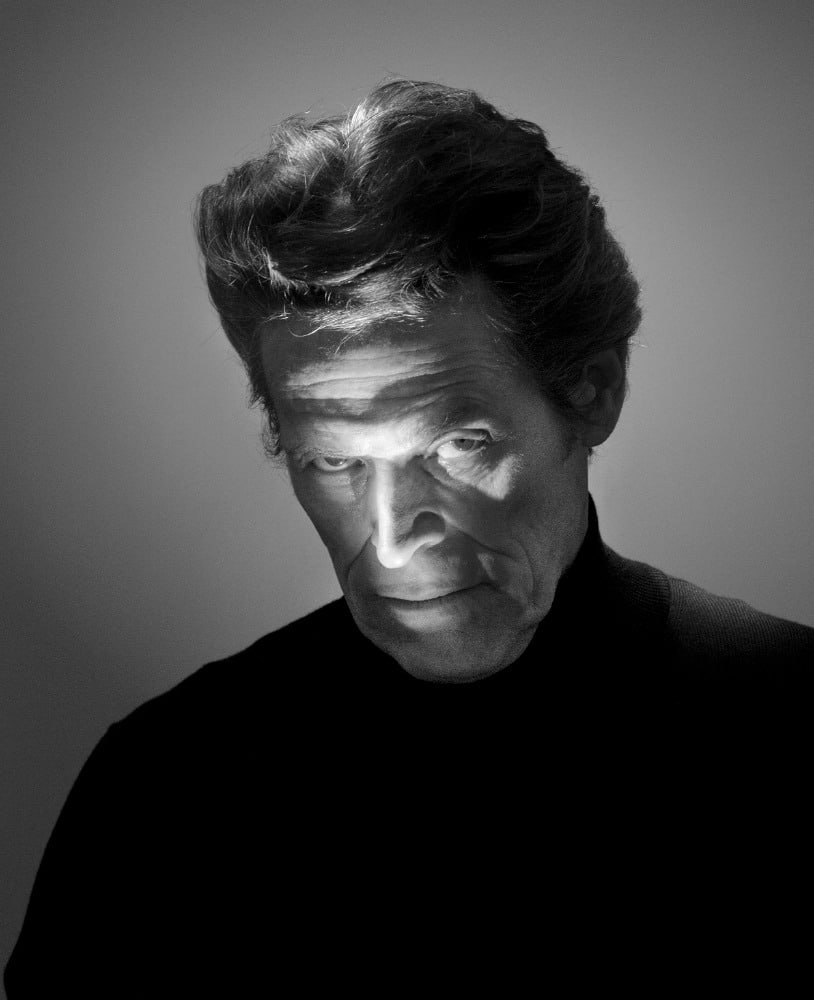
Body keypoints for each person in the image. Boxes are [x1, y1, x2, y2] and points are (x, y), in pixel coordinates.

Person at [6, 79, 812, 995]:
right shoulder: (162, 793)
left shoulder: (793, 731)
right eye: (333, 461)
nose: (391, 542)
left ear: (592, 391)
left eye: (456, 445)